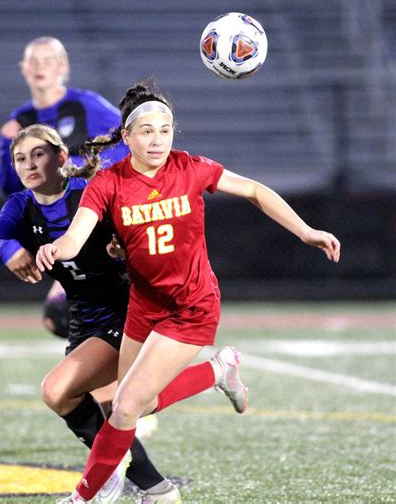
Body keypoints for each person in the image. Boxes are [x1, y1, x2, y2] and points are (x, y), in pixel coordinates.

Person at [36, 81, 341, 503]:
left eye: (165, 130)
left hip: (191, 307)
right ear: (126, 137)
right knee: (133, 407)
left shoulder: (190, 167)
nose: (157, 139)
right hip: (144, 306)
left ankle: (85, 496)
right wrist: (56, 249)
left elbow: (254, 190)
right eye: (146, 131)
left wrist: (306, 231)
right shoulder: (108, 182)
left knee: (124, 407)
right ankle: (218, 371)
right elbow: (75, 238)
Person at [0, 124, 182, 503]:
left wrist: (124, 248)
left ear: (60, 157)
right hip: (83, 318)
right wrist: (9, 252)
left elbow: (142, 231)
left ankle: (105, 475)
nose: (29, 164)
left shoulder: (91, 192)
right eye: (20, 159)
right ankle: (158, 490)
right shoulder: (20, 205)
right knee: (112, 410)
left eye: (38, 154)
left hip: (127, 311)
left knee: (58, 392)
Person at [0, 36, 129, 339]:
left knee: (86, 311)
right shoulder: (20, 121)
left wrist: (76, 166)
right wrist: (7, 147)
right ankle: (108, 378)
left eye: (47, 60)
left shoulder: (85, 105)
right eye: (34, 61)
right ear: (24, 69)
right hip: (56, 227)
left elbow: (127, 145)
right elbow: (8, 185)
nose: (40, 67)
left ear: (62, 66)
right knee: (60, 317)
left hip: (98, 224)